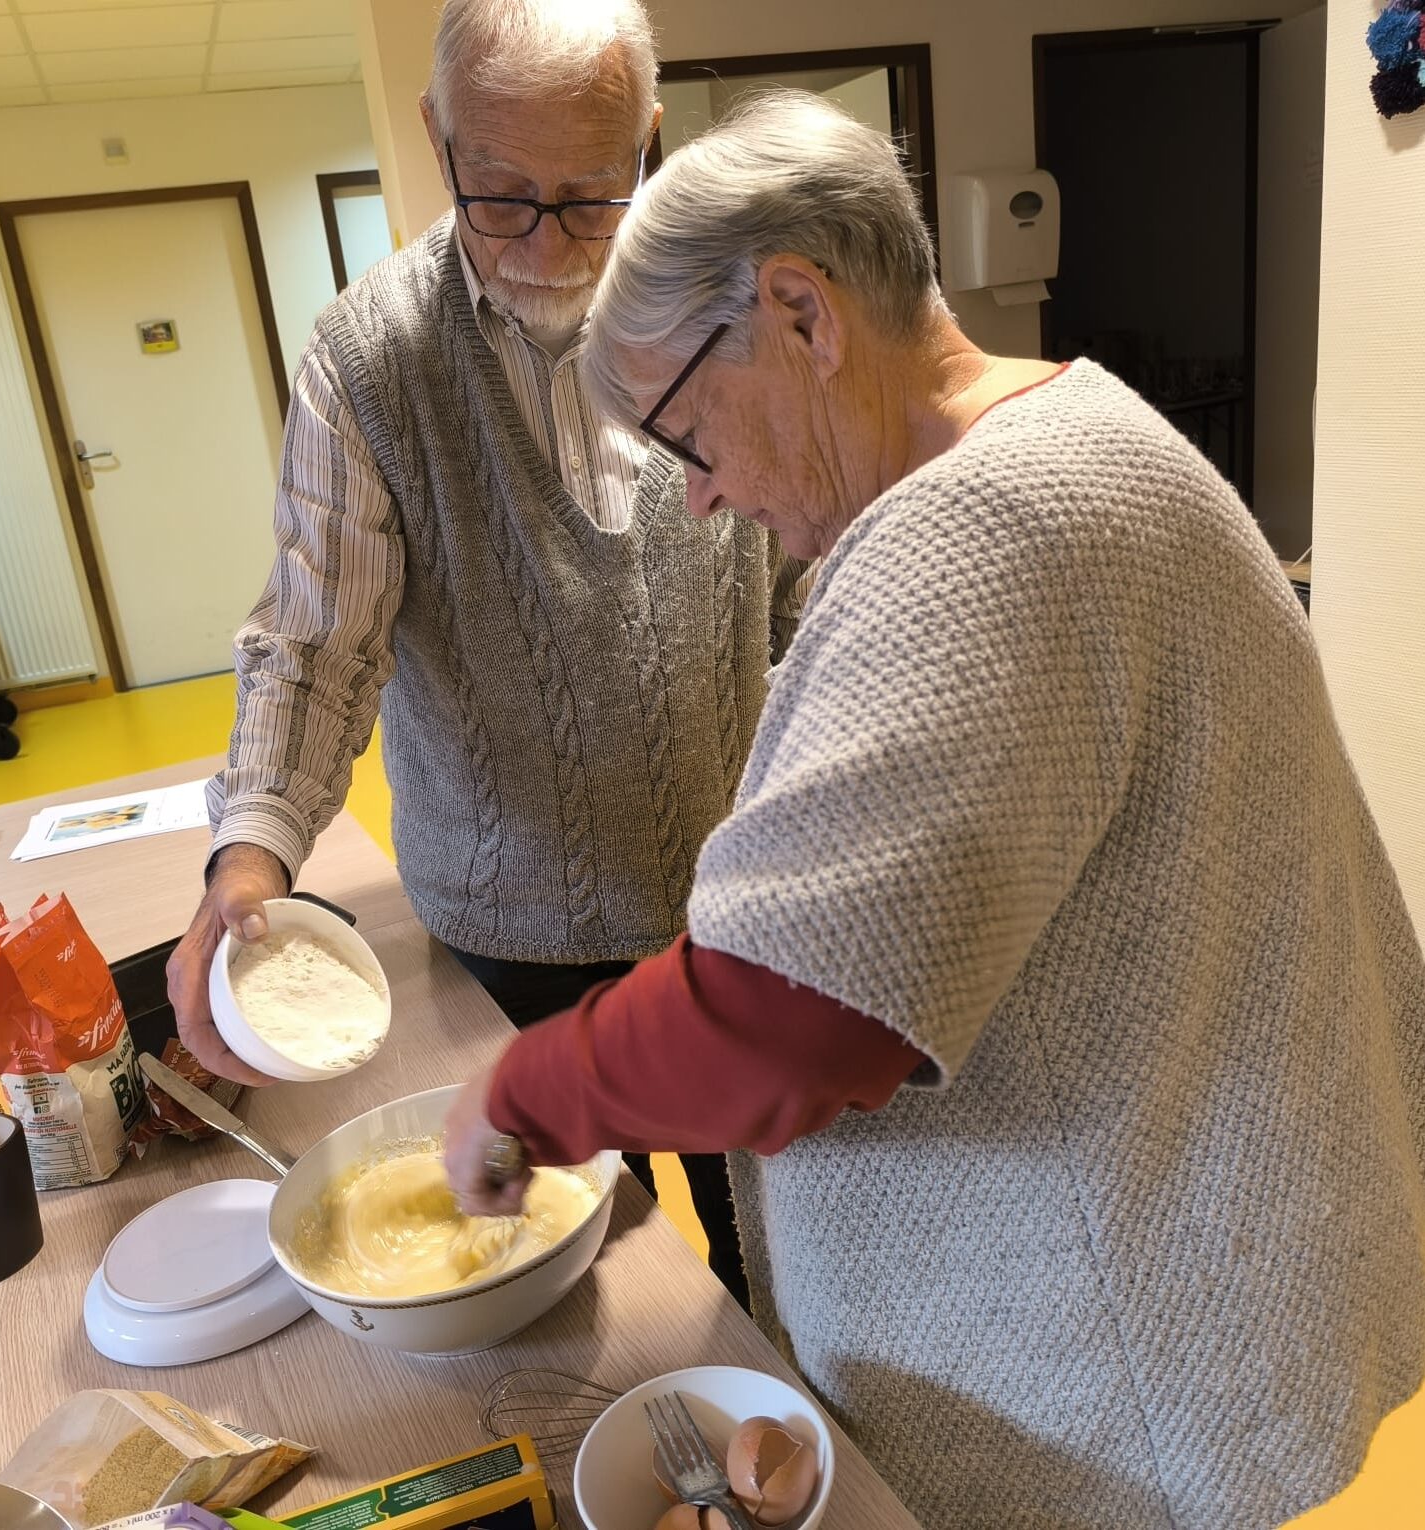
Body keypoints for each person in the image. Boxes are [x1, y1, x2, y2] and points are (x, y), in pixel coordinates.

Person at [443, 92, 1425, 1528]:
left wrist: (523, 1089)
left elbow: (792, 1014)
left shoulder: (975, 534)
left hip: (1120, 1344)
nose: (702, 501)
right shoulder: (1086, 421)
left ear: (800, 312)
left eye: (685, 432)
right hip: (1218, 1241)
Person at [166, 0, 810, 1309]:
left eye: (589, 196)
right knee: (553, 1287)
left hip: (730, 913)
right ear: (435, 135)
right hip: (505, 941)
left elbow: (804, 579)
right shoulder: (368, 360)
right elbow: (314, 639)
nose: (543, 243)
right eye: (499, 195)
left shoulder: (736, 304)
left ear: (649, 139)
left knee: (779, 1271)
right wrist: (250, 852)